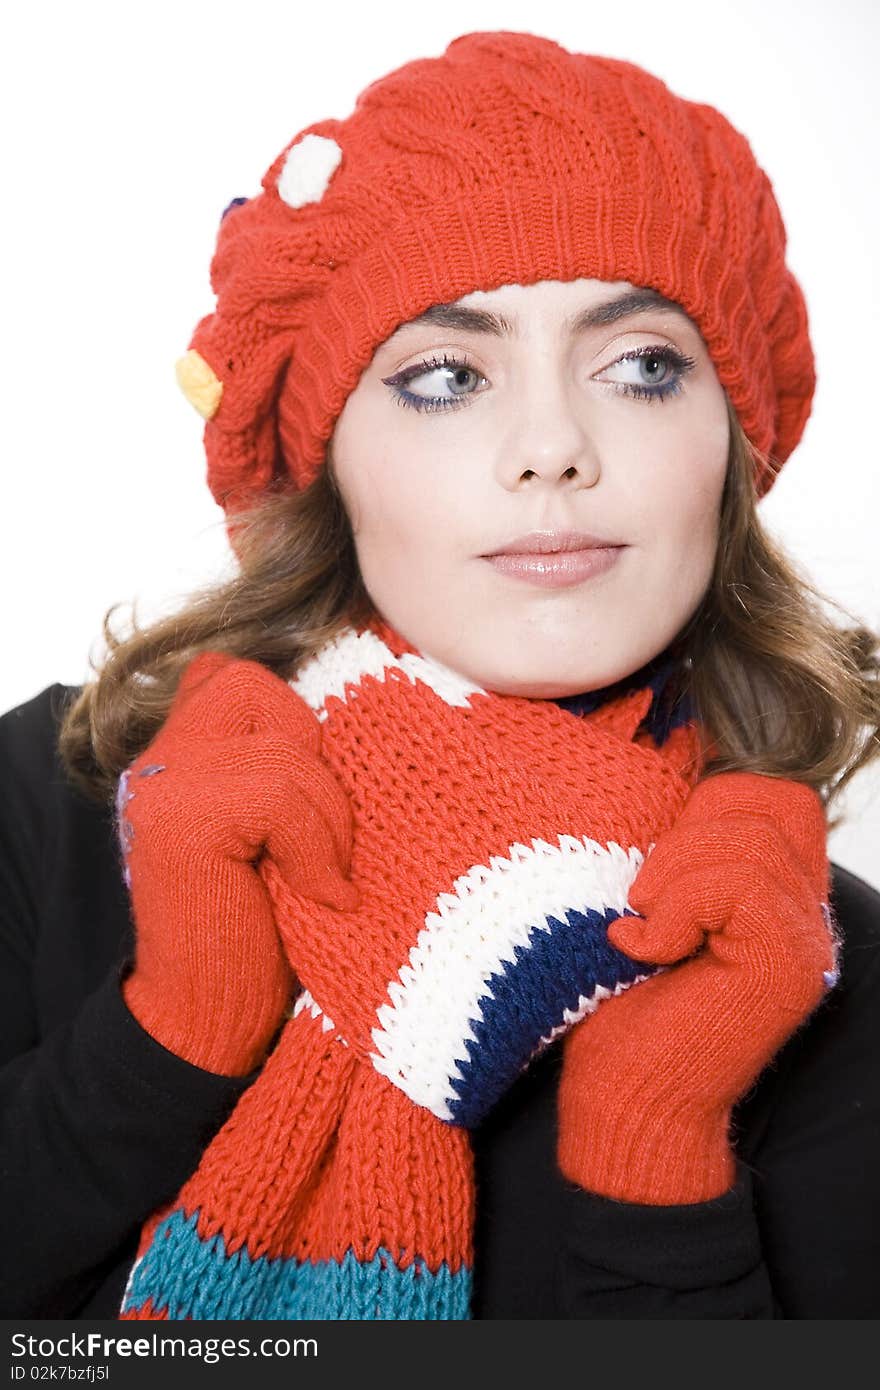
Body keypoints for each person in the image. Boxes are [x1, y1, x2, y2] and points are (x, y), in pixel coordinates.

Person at [1, 28, 879, 1322]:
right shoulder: (58, 803)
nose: (550, 448)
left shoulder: (808, 966)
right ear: (326, 459)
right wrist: (165, 1034)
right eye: (445, 376)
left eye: (640, 364)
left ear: (732, 449)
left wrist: (653, 1146)